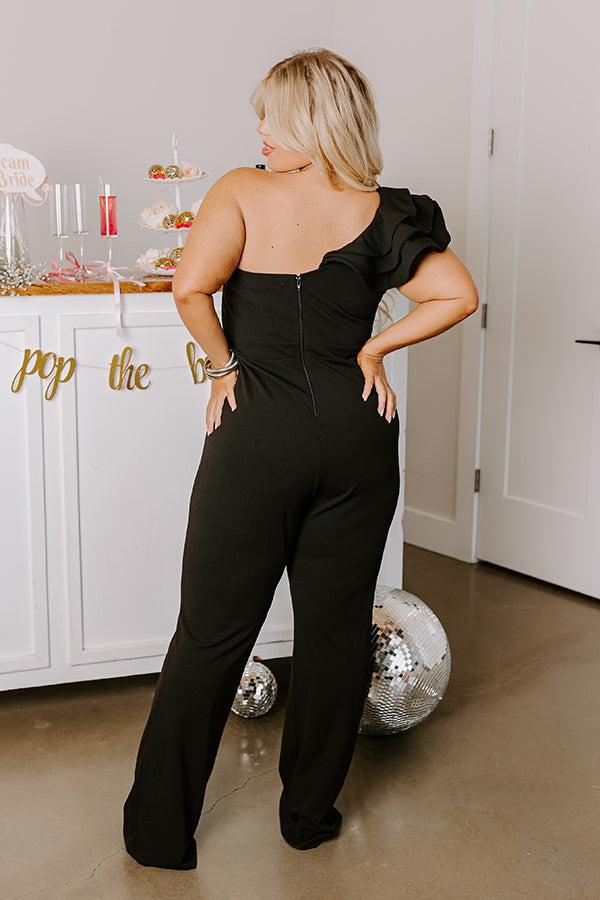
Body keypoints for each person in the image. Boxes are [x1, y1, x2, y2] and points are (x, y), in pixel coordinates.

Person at [122, 47, 479, 871]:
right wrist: (374, 350)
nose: (259, 130)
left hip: (259, 434)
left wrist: (224, 367)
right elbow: (457, 295)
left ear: (314, 122)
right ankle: (309, 817)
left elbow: (189, 288)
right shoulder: (388, 211)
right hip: (359, 435)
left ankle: (161, 834)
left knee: (211, 634)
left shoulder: (240, 192)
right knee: (334, 630)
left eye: (273, 117)